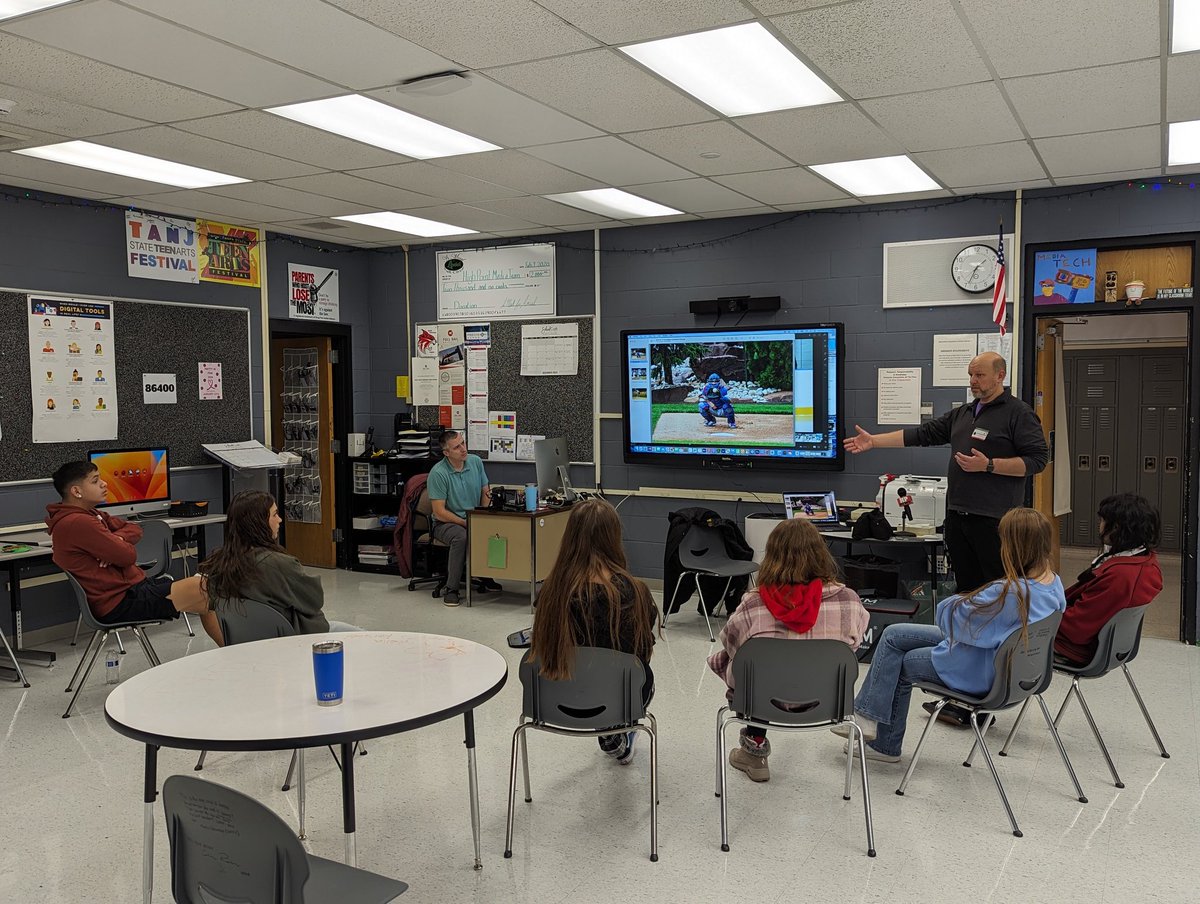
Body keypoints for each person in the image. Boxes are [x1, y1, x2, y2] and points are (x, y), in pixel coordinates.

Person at [831, 507, 1065, 763]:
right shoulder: (1052, 584)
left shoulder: (1008, 594)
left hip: (979, 671)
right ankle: (866, 716)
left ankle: (884, 745)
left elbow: (950, 618)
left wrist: (962, 599)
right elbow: (973, 627)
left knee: (898, 660)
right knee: (892, 634)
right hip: (1004, 665)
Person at [843, 352, 1048, 594]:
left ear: (1000, 375)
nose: (973, 380)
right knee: (966, 590)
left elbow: (1038, 460)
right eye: (971, 375)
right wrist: (873, 442)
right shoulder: (963, 414)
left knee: (997, 590)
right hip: (957, 517)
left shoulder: (1019, 413)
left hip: (996, 521)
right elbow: (921, 434)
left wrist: (989, 465)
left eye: (980, 375)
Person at [709, 518, 869, 782]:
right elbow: (853, 645)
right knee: (763, 665)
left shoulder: (753, 603)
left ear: (772, 555)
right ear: (820, 553)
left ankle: (754, 748)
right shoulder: (848, 600)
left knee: (752, 668)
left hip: (763, 700)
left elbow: (729, 641)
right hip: (826, 702)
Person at [530, 498, 658, 764]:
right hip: (616, 697)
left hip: (554, 698)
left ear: (570, 537)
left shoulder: (550, 592)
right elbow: (642, 653)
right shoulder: (635, 592)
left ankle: (612, 729)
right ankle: (616, 729)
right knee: (640, 673)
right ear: (614, 538)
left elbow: (541, 644)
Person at [45, 461, 221, 645]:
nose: (104, 484)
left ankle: (229, 652)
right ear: (76, 491)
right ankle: (232, 653)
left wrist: (117, 539)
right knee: (204, 588)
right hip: (120, 602)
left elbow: (134, 529)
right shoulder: (78, 522)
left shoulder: (91, 514)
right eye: (96, 481)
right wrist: (117, 545)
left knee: (205, 593)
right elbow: (128, 557)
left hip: (133, 590)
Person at [200, 490, 358, 633]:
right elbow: (314, 600)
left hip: (252, 641)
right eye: (274, 514)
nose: (280, 520)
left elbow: (206, 607)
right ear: (259, 522)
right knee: (363, 634)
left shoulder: (216, 565)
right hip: (297, 636)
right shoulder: (279, 564)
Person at [1056, 493, 1163, 665]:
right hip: (1110, 646)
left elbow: (1075, 629)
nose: (1100, 525)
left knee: (1003, 634)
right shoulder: (1147, 563)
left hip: (1075, 648)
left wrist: (1038, 615)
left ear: (1117, 528)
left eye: (1103, 520)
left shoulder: (1120, 576)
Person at [428, 430, 499, 607]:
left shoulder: (475, 462)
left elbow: (486, 491)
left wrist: (482, 514)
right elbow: (439, 511)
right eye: (457, 447)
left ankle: (484, 573)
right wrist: (466, 523)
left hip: (473, 516)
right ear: (446, 453)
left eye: (463, 443)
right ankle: (451, 589)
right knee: (461, 536)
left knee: (499, 528)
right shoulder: (438, 473)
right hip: (446, 523)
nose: (463, 449)